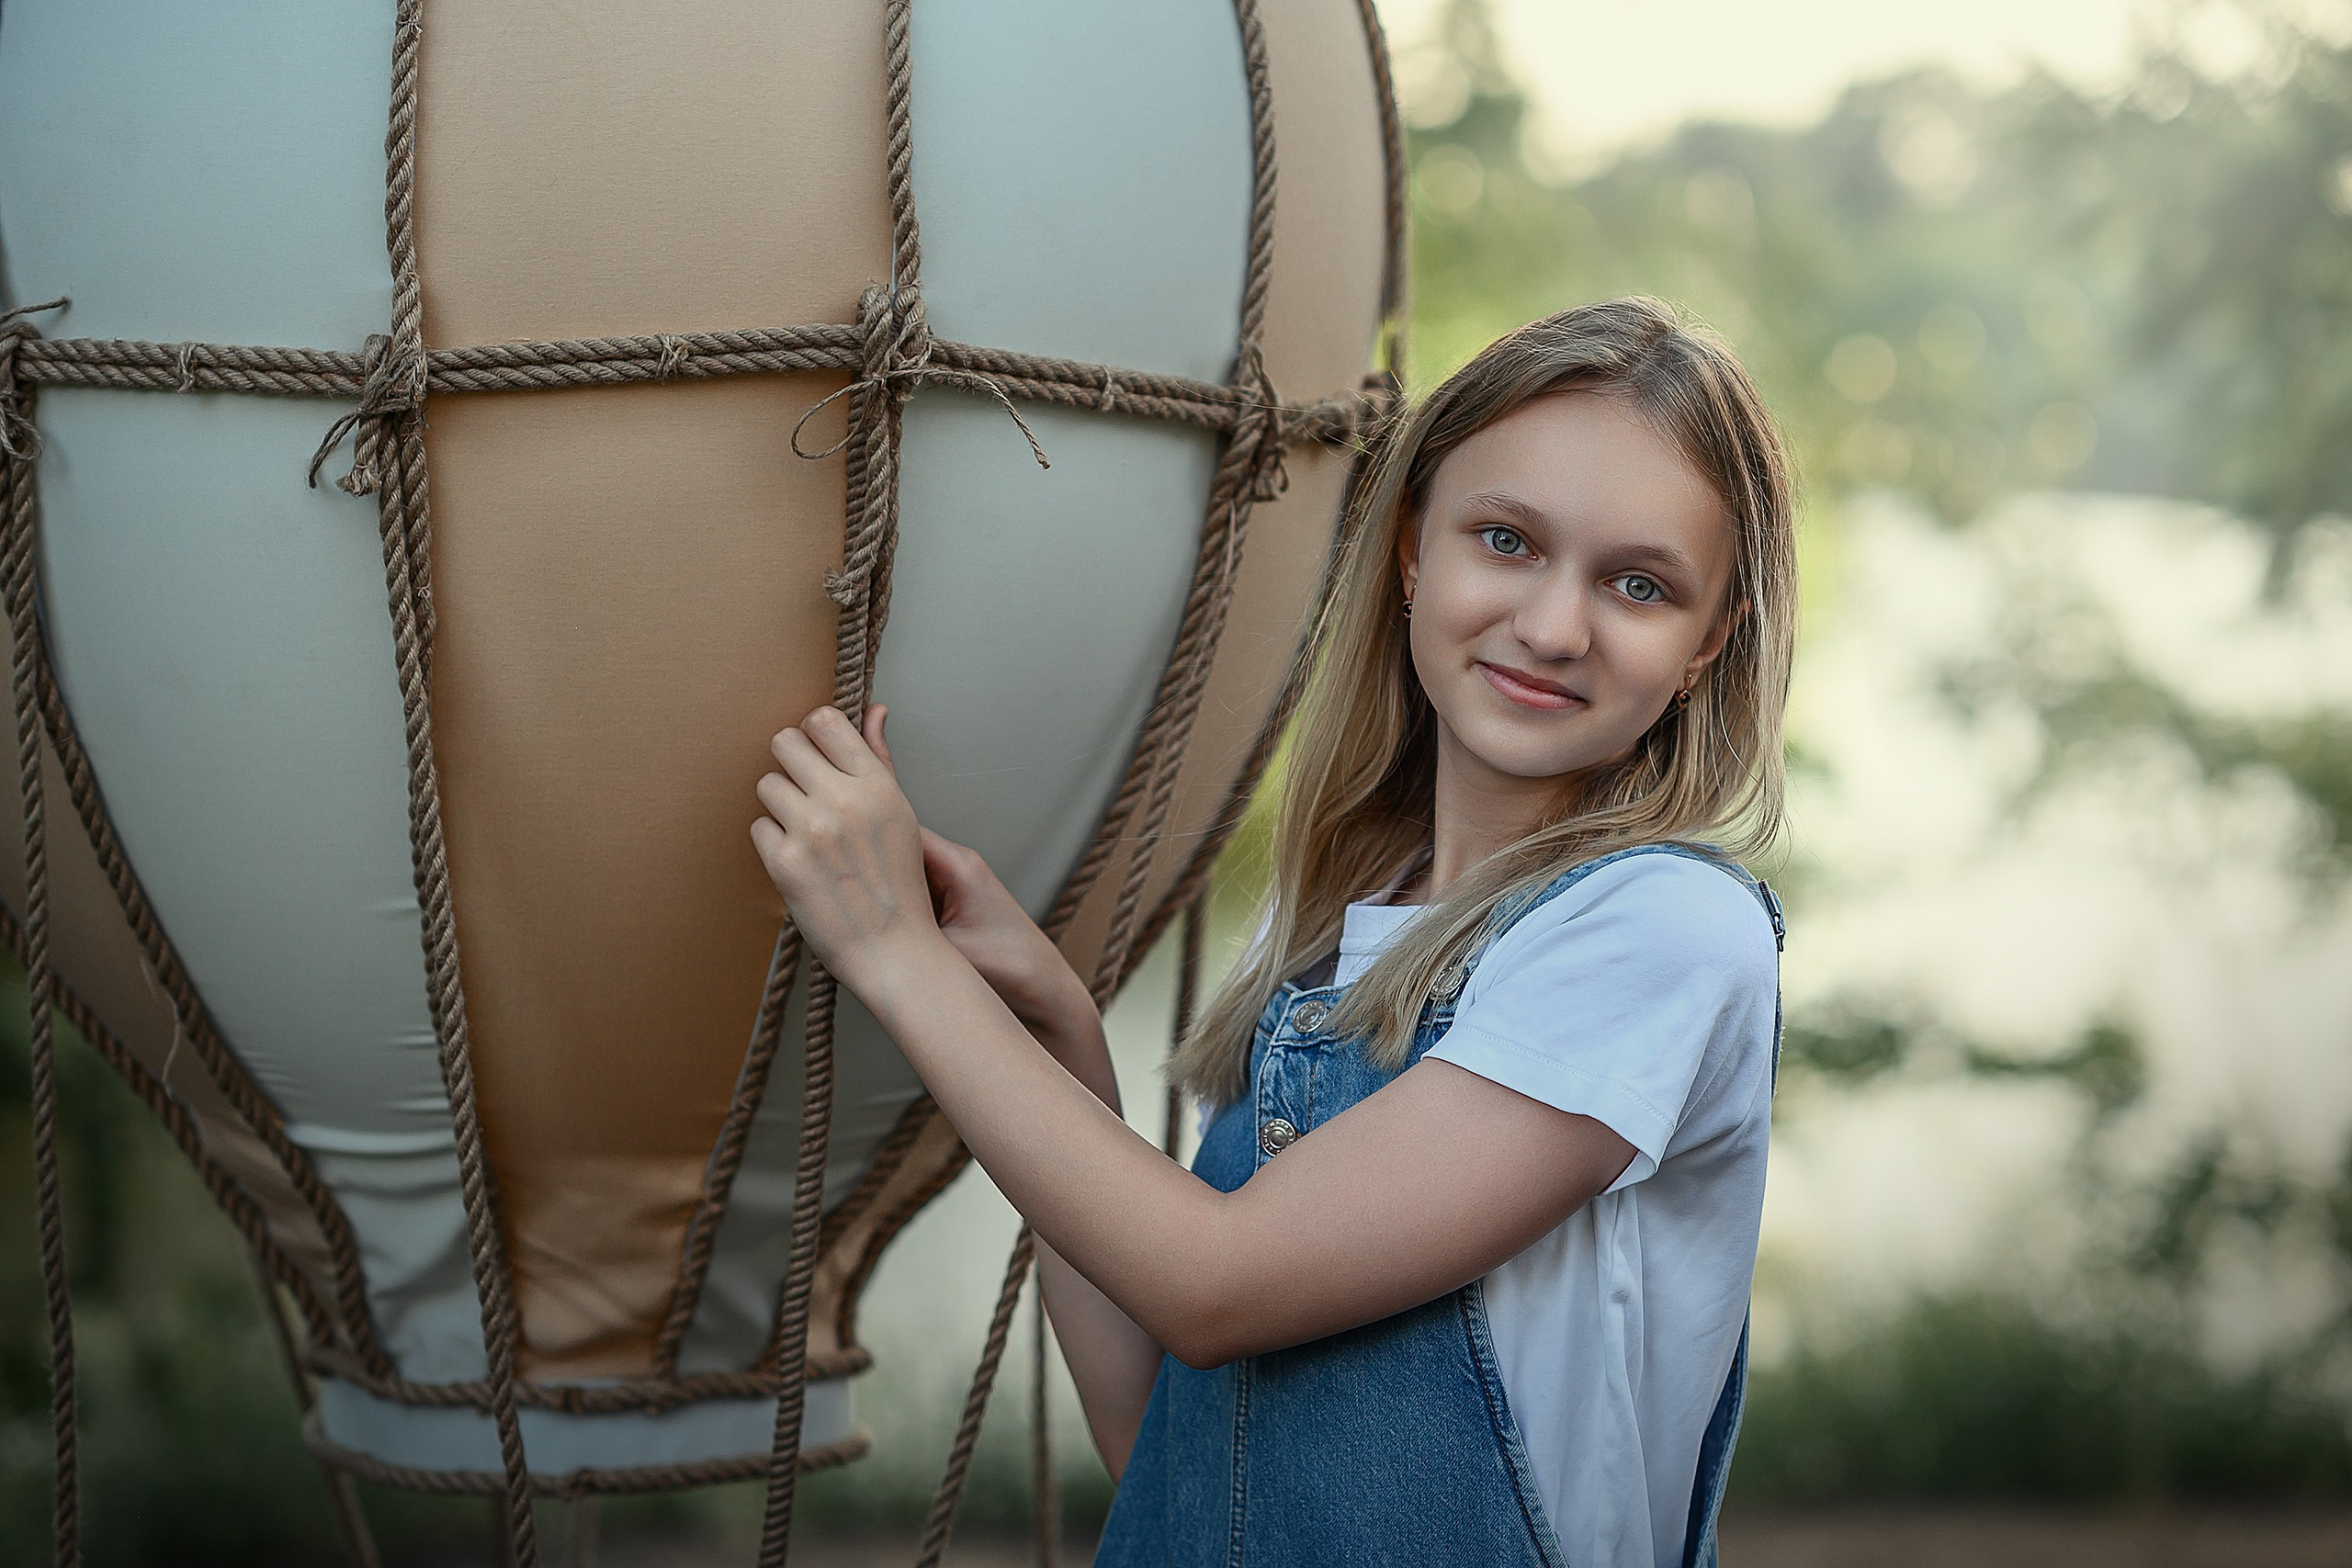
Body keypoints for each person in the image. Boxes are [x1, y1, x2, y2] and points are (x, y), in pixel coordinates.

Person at [751, 296, 1795, 1568]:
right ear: (1414, 549)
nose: (1555, 624)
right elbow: (1179, 1460)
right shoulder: (1327, 935)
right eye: (1507, 540)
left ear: (1708, 643)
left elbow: (1214, 1285)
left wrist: (891, 951)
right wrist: (1057, 1042)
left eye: (1639, 584)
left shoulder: (1664, 930)